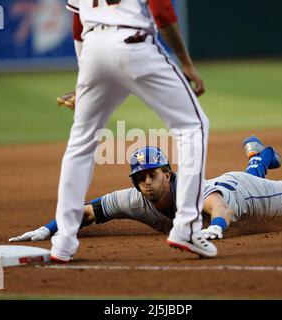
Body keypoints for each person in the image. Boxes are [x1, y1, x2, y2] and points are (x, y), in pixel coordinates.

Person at [10, 115, 282, 246]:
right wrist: (49, 228)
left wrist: (218, 227)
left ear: (167, 174)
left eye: (152, 175)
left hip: (242, 194)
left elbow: (219, 206)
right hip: (228, 181)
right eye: (139, 178)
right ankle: (259, 157)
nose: (146, 183)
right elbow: (86, 212)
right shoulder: (134, 199)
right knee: (248, 173)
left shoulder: (191, 189)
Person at [50, 0, 215, 262]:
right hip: (133, 43)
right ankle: (186, 227)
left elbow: (77, 23)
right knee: (193, 126)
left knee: (81, 143)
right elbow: (162, 11)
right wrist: (186, 62)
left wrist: (85, 80)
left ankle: (64, 243)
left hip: (92, 49)